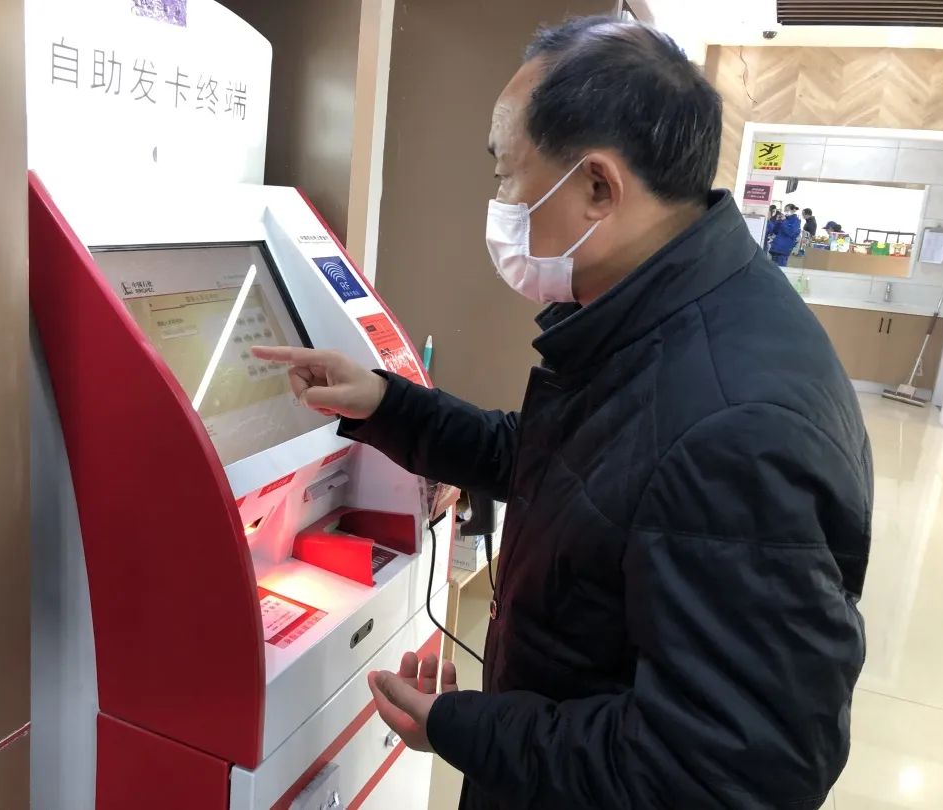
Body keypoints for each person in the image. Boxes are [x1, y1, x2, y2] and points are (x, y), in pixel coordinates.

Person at [255, 17, 870, 810]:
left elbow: (724, 772)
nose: (501, 206)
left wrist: (468, 727)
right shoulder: (681, 316)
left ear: (598, 189)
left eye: (509, 177)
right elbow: (579, 468)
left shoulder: (736, 423)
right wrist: (386, 403)